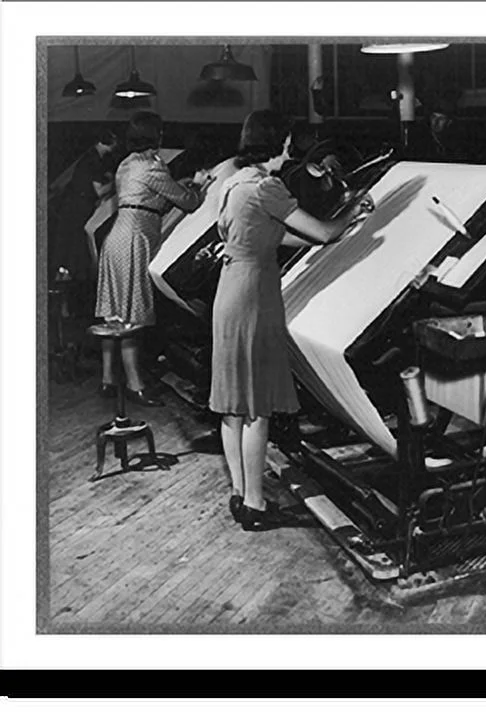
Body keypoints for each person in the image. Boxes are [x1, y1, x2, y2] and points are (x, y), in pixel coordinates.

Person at [209, 109, 373, 532]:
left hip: (229, 291)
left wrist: (335, 232)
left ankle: (239, 493)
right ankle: (257, 505)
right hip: (254, 297)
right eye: (288, 144)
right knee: (257, 407)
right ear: (280, 143)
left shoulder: (233, 183)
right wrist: (353, 211)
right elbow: (322, 231)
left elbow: (272, 235)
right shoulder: (268, 187)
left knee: (232, 405)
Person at [95, 111, 211, 406]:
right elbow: (188, 202)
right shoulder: (152, 166)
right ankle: (136, 387)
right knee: (131, 317)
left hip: (117, 238)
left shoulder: (127, 164)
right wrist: (198, 184)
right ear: (156, 136)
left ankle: (108, 381)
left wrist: (178, 181)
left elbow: (150, 196)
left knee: (114, 313)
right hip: (135, 239)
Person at [50, 128, 119, 317]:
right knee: (72, 259)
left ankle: (65, 308)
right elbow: (99, 191)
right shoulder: (93, 160)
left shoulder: (91, 158)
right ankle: (67, 308)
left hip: (73, 210)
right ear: (110, 141)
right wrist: (119, 182)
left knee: (69, 259)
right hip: (78, 213)